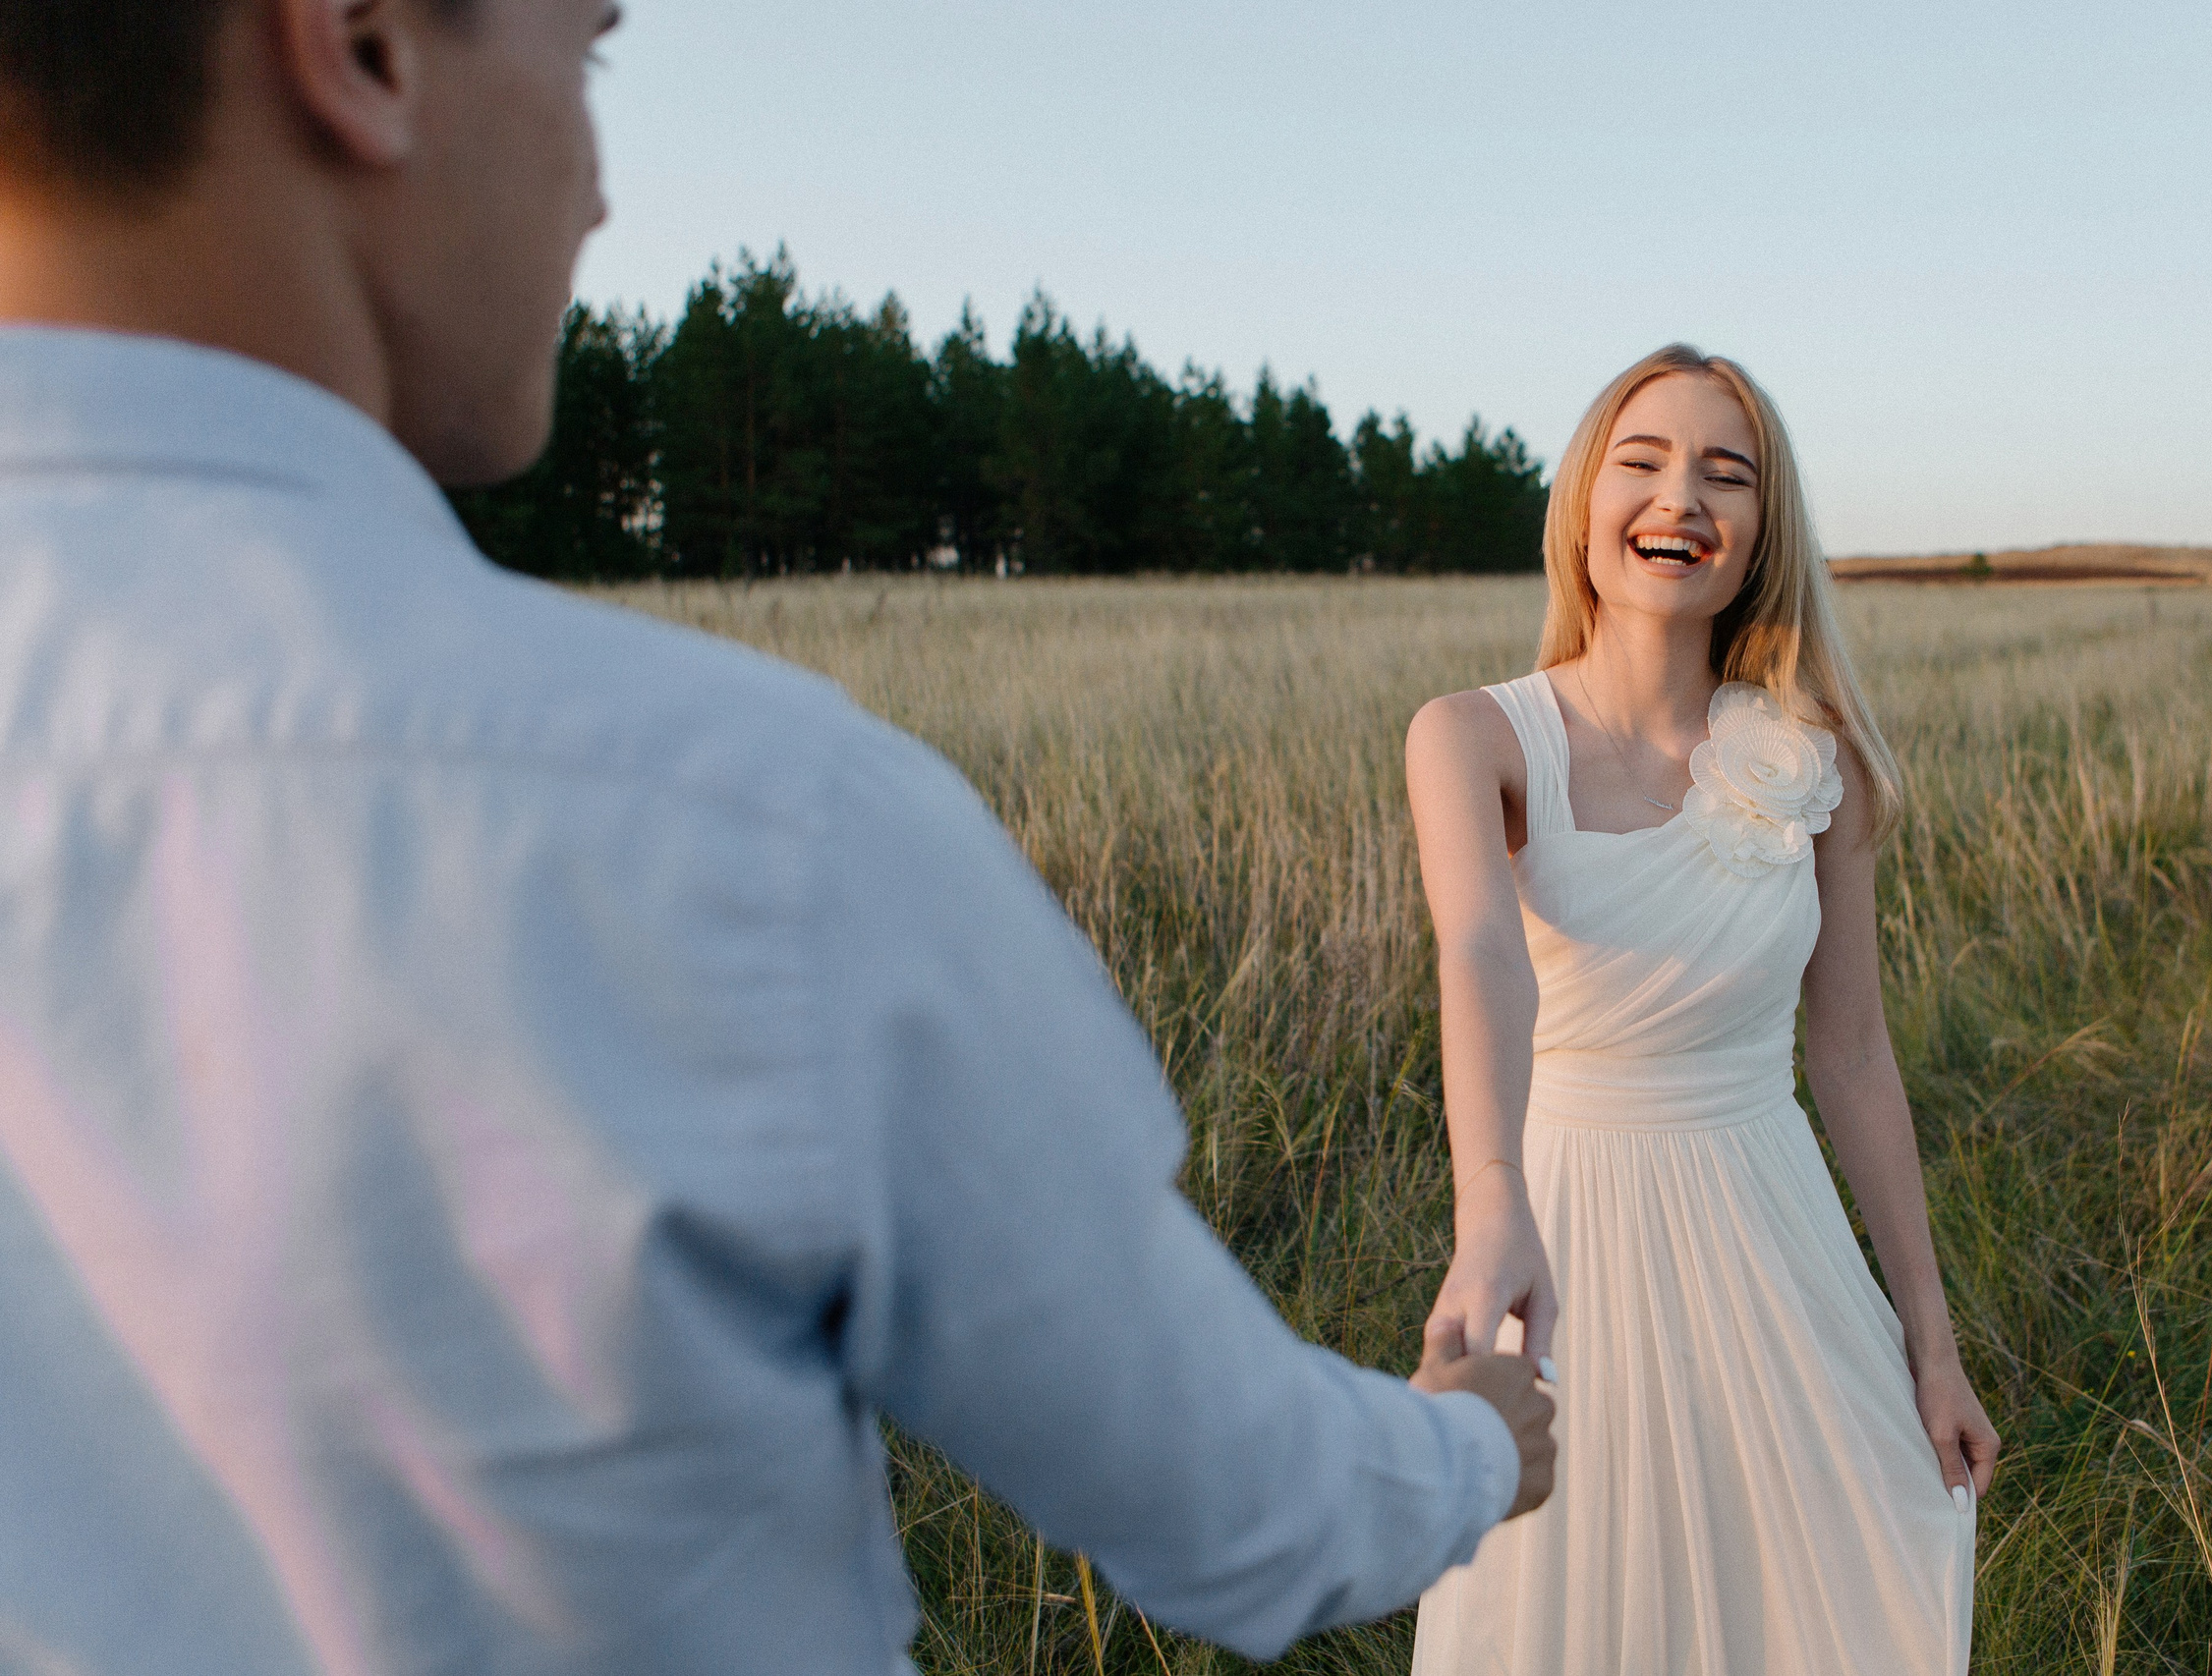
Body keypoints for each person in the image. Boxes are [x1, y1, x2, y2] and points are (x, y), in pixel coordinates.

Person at [0, 3, 1556, 1673]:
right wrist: (1477, 1439)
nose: (599, 193)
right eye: (584, 54)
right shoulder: (747, 824)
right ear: (366, 50)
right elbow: (1239, 1504)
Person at [1403, 345, 2000, 1673]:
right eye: (1645, 460)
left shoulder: (1815, 760)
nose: (1681, 496)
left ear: (1756, 540)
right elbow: (1479, 957)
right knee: (1567, 1609)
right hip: (1566, 1235)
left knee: (1820, 1592)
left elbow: (1850, 1053)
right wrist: (1489, 1199)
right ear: (1584, 502)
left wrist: (1935, 1347)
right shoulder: (1473, 737)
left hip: (1770, 1233)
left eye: (1725, 475)